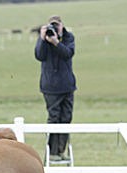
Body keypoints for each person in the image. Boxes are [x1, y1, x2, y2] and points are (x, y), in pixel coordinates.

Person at [35, 15, 76, 161]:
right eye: (52, 25)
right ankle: (52, 152)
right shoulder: (45, 38)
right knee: (54, 118)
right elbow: (39, 55)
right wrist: (42, 39)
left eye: (57, 25)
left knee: (66, 118)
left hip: (67, 85)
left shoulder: (68, 37)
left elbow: (68, 54)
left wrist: (56, 43)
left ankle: (60, 151)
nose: (55, 28)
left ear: (62, 26)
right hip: (50, 87)